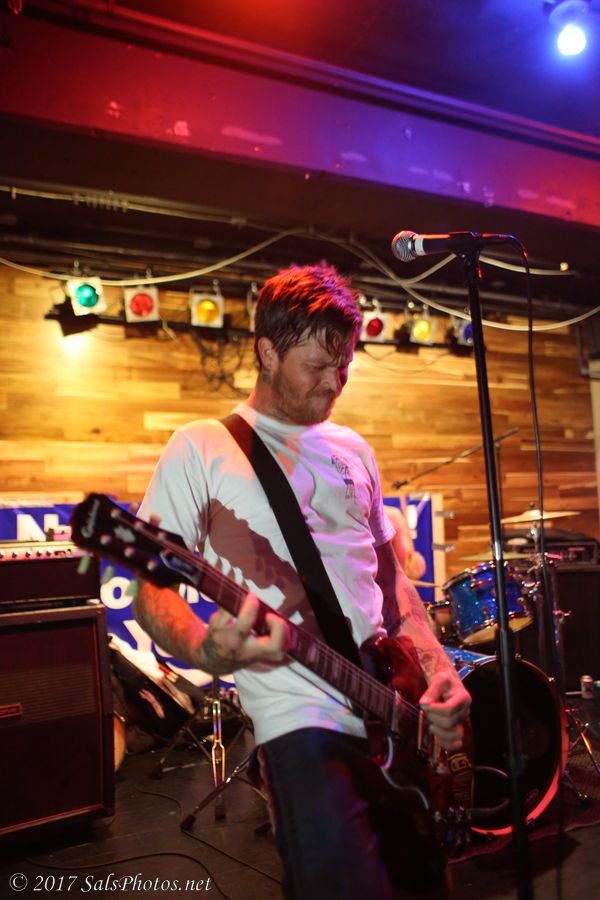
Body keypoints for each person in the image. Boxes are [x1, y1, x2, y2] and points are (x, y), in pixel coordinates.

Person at [134, 263, 471, 899]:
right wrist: (207, 649)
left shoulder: (354, 449)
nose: (334, 382)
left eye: (344, 365)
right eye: (318, 365)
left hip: (393, 704)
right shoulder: (202, 447)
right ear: (267, 353)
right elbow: (152, 590)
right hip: (300, 714)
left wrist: (437, 668)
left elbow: (394, 586)